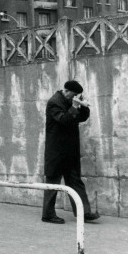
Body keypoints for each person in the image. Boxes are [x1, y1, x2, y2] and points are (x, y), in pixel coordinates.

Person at [41, 80, 100, 224]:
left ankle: (84, 213)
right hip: (56, 151)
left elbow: (81, 118)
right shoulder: (54, 102)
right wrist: (74, 107)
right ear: (66, 91)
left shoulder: (70, 100)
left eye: (75, 96)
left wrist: (83, 106)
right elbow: (65, 120)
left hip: (70, 151)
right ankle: (48, 214)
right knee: (53, 182)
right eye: (72, 95)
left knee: (75, 181)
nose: (72, 98)